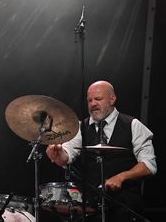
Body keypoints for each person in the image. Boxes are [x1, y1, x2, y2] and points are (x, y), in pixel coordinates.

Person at [46, 80, 156, 222]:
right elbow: (66, 156)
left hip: (125, 208)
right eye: (89, 100)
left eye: (98, 99)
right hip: (90, 209)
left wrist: (121, 177)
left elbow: (149, 165)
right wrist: (58, 153)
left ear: (112, 99)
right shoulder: (81, 127)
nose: (93, 104)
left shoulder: (133, 125)